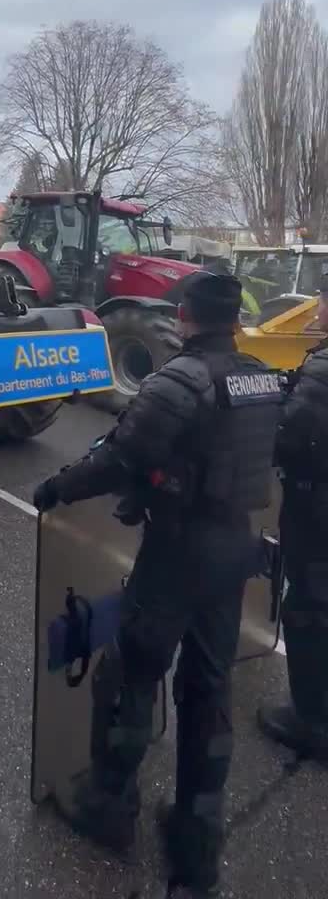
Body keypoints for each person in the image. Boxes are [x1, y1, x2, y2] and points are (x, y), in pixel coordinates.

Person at [33, 271, 282, 896]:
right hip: (234, 549)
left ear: (186, 315)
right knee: (207, 687)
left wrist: (58, 487)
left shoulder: (179, 379)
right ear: (235, 318)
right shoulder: (260, 376)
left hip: (179, 551)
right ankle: (196, 843)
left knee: (130, 675)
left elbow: (120, 456)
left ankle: (108, 806)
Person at [257, 275, 328, 756]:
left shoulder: (323, 369)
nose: (318, 308)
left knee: (307, 609)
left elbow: (288, 436)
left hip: (317, 511)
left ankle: (312, 720)